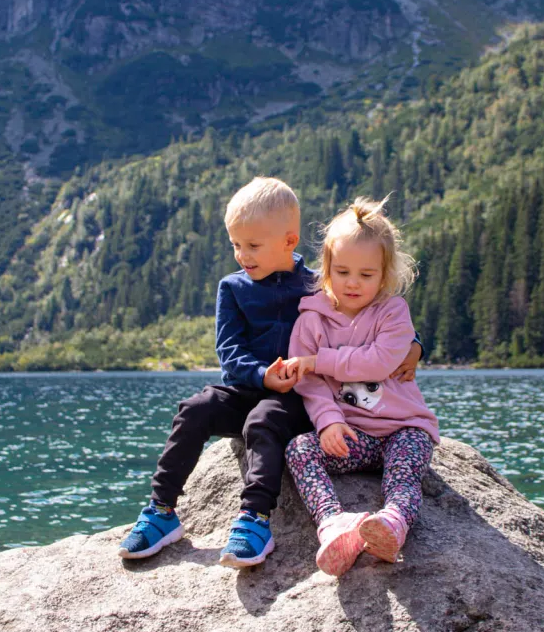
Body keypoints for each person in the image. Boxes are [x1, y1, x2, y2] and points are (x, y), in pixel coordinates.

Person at [118, 178, 421, 568]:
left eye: (253, 246)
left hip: (295, 397)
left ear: (289, 241)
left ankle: (254, 520)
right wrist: (262, 375)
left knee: (264, 421)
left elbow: (367, 311)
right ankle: (161, 510)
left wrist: (415, 345)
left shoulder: (318, 284)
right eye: (236, 245)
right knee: (195, 408)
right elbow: (229, 353)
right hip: (249, 387)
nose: (242, 255)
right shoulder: (232, 288)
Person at [281, 197, 439, 577]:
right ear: (326, 269)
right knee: (300, 449)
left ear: (384, 276)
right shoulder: (311, 319)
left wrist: (319, 360)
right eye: (342, 271)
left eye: (366, 275)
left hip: (404, 428)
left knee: (404, 470)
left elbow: (380, 360)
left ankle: (393, 523)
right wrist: (328, 421)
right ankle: (334, 525)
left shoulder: (393, 312)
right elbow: (311, 385)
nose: (352, 282)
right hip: (354, 436)